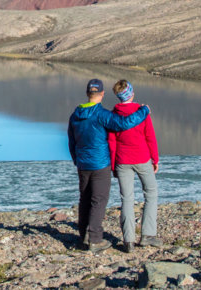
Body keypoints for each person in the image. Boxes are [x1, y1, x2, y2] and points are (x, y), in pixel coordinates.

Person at [68, 79, 149, 253]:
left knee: (85, 199)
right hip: (100, 163)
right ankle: (95, 239)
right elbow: (123, 124)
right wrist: (144, 111)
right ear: (102, 94)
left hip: (83, 164)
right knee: (99, 200)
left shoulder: (75, 115)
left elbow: (71, 142)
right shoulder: (101, 114)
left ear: (88, 93)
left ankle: (84, 237)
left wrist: (77, 160)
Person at [107, 80, 162, 253]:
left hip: (123, 161)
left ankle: (128, 240)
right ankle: (147, 235)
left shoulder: (113, 115)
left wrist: (113, 164)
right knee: (151, 193)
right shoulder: (142, 112)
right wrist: (155, 159)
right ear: (131, 93)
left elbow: (111, 142)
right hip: (142, 158)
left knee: (127, 199)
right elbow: (150, 137)